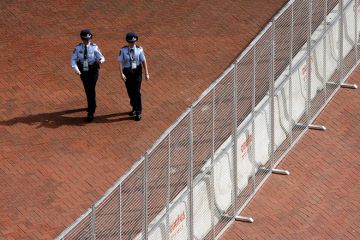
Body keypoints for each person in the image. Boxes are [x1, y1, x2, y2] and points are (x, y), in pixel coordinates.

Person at [70, 29, 105, 122]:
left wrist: (100, 60)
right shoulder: (77, 48)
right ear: (82, 39)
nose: (87, 41)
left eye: (89, 39)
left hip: (93, 69)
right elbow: (73, 59)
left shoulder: (94, 47)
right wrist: (76, 70)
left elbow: (102, 57)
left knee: (90, 87)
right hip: (83, 70)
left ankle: (91, 112)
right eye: (85, 39)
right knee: (88, 88)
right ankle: (92, 104)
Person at [118, 32, 150, 121]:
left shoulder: (139, 49)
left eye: (134, 42)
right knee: (130, 91)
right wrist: (121, 73)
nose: (133, 43)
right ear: (128, 41)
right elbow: (120, 62)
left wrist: (146, 73)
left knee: (136, 92)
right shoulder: (123, 50)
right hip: (127, 71)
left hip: (137, 72)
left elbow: (143, 61)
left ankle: (138, 111)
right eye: (131, 42)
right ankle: (134, 106)